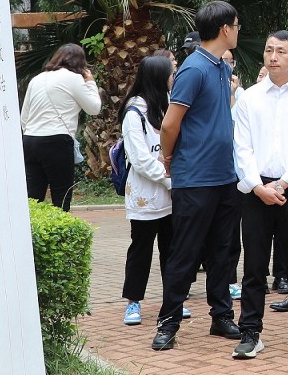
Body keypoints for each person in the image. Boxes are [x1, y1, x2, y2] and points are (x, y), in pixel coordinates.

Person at [231, 30, 288, 359]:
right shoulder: (249, 97)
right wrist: (258, 186)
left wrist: (282, 184)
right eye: (269, 50)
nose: (273, 56)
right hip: (255, 191)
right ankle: (250, 332)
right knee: (254, 266)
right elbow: (242, 147)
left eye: (281, 51)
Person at [155, 1, 245, 349]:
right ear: (225, 29)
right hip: (195, 177)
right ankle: (168, 322)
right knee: (186, 252)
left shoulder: (221, 67)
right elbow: (170, 124)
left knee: (223, 251)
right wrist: (167, 158)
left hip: (225, 176)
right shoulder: (194, 69)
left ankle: (221, 315)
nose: (238, 31)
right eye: (236, 25)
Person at [118, 51, 176, 326]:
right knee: (141, 249)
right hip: (145, 194)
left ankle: (173, 301)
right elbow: (140, 159)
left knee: (171, 250)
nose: (173, 78)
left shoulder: (168, 104)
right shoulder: (134, 112)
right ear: (157, 77)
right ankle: (133, 302)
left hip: (170, 195)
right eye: (170, 74)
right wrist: (168, 180)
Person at [20, 43, 101, 209]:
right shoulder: (74, 79)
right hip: (56, 140)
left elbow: (24, 117)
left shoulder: (37, 79)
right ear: (80, 63)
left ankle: (33, 226)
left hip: (30, 140)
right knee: (61, 198)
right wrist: (91, 83)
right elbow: (94, 108)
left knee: (32, 200)